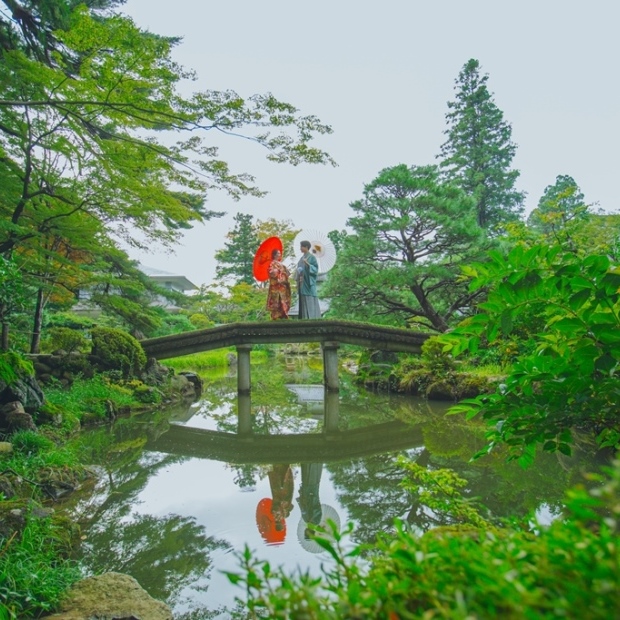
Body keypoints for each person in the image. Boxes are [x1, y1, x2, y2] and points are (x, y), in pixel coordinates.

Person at [296, 240, 321, 319]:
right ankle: (304, 318)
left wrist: (308, 264)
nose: (300, 248)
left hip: (308, 283)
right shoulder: (301, 259)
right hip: (302, 282)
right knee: (303, 300)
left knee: (310, 298)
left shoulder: (312, 257)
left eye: (301, 247)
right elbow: (298, 269)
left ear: (306, 247)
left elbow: (315, 270)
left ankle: (312, 318)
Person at [266, 249, 291, 320]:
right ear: (274, 255)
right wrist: (279, 272)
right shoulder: (272, 263)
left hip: (283, 285)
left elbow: (286, 272)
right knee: (277, 300)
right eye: (278, 253)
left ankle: (283, 315)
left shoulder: (280, 263)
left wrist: (285, 272)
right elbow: (271, 272)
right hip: (276, 286)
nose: (279, 255)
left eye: (279, 253)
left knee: (283, 299)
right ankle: (276, 316)